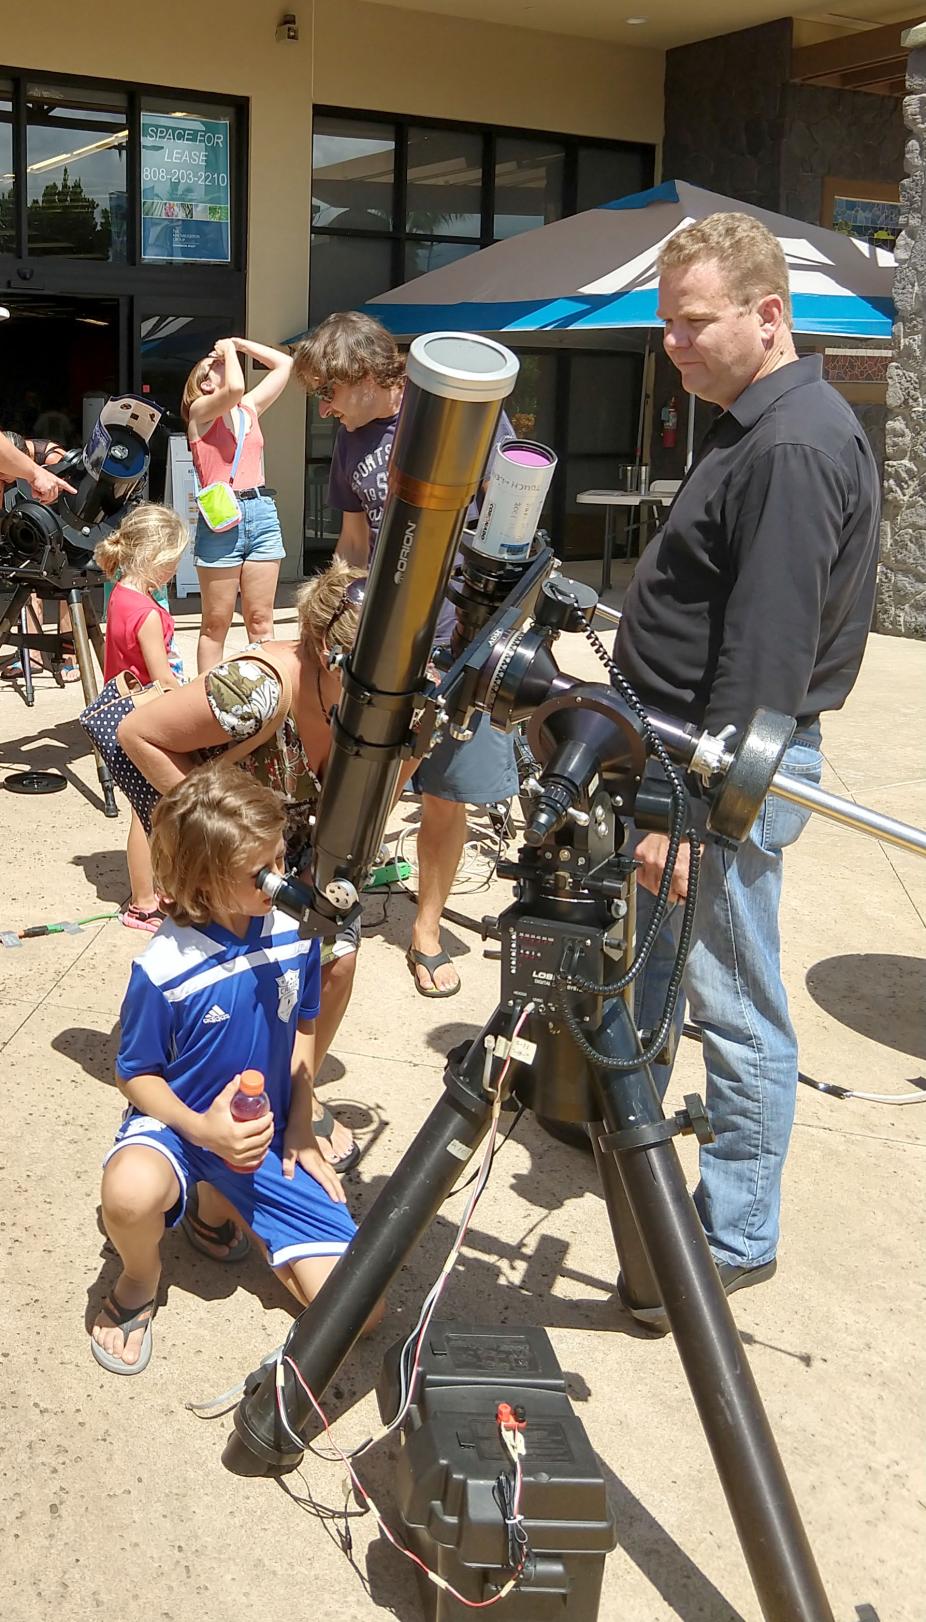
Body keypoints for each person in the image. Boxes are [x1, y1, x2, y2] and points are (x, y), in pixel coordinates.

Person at [611, 212, 879, 1329]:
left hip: (719, 775)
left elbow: (764, 655)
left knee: (735, 1002)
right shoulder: (749, 417)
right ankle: (629, 1137)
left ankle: (729, 1234)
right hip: (682, 761)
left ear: (767, 316)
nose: (670, 343)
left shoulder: (789, 444)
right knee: (661, 970)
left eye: (691, 323)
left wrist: (690, 817)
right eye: (663, 323)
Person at [89, 762, 380, 1374]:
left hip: (265, 1129)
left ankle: (221, 1202)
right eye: (263, 874)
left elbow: (304, 1025)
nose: (282, 881)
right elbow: (135, 1073)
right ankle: (141, 1275)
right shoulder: (165, 968)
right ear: (205, 879)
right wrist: (200, 1131)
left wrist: (301, 1122)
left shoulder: (295, 935)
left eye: (282, 858)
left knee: (360, 1311)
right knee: (128, 1193)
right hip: (179, 1126)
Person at [117, 558, 365, 1180]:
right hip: (232, 853)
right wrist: (211, 838)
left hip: (289, 848)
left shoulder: (360, 709)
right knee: (232, 984)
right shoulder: (258, 689)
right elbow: (137, 732)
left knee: (335, 961)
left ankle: (289, 1095)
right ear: (332, 659)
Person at [293, 311, 518, 997]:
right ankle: (339, 899)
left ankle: (424, 928)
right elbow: (356, 543)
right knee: (369, 779)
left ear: (366, 374)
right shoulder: (350, 438)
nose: (324, 409)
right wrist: (334, 616)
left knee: (447, 792)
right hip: (383, 638)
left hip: (462, 639)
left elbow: (507, 526)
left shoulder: (457, 411)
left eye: (328, 393)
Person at [94, 504, 189, 932]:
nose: (174, 569)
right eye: (172, 561)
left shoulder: (120, 594)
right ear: (153, 556)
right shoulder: (148, 614)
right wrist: (192, 693)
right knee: (145, 812)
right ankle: (143, 903)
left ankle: (152, 890)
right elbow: (162, 677)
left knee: (148, 808)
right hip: (145, 720)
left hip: (121, 711)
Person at [182, 336, 292, 674]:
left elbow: (284, 364)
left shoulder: (247, 409)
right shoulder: (200, 413)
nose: (222, 364)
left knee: (260, 620)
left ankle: (266, 698)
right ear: (202, 384)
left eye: (221, 362)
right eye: (212, 366)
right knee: (216, 623)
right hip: (222, 519)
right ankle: (204, 704)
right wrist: (228, 352)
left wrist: (241, 345)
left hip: (260, 511)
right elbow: (233, 388)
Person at [0, 430, 81, 680]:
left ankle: (70, 655)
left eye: (4, 475)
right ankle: (32, 657)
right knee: (25, 574)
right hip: (27, 522)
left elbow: (76, 503)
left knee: (64, 580)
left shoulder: (56, 460)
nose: (4, 480)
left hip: (63, 524)